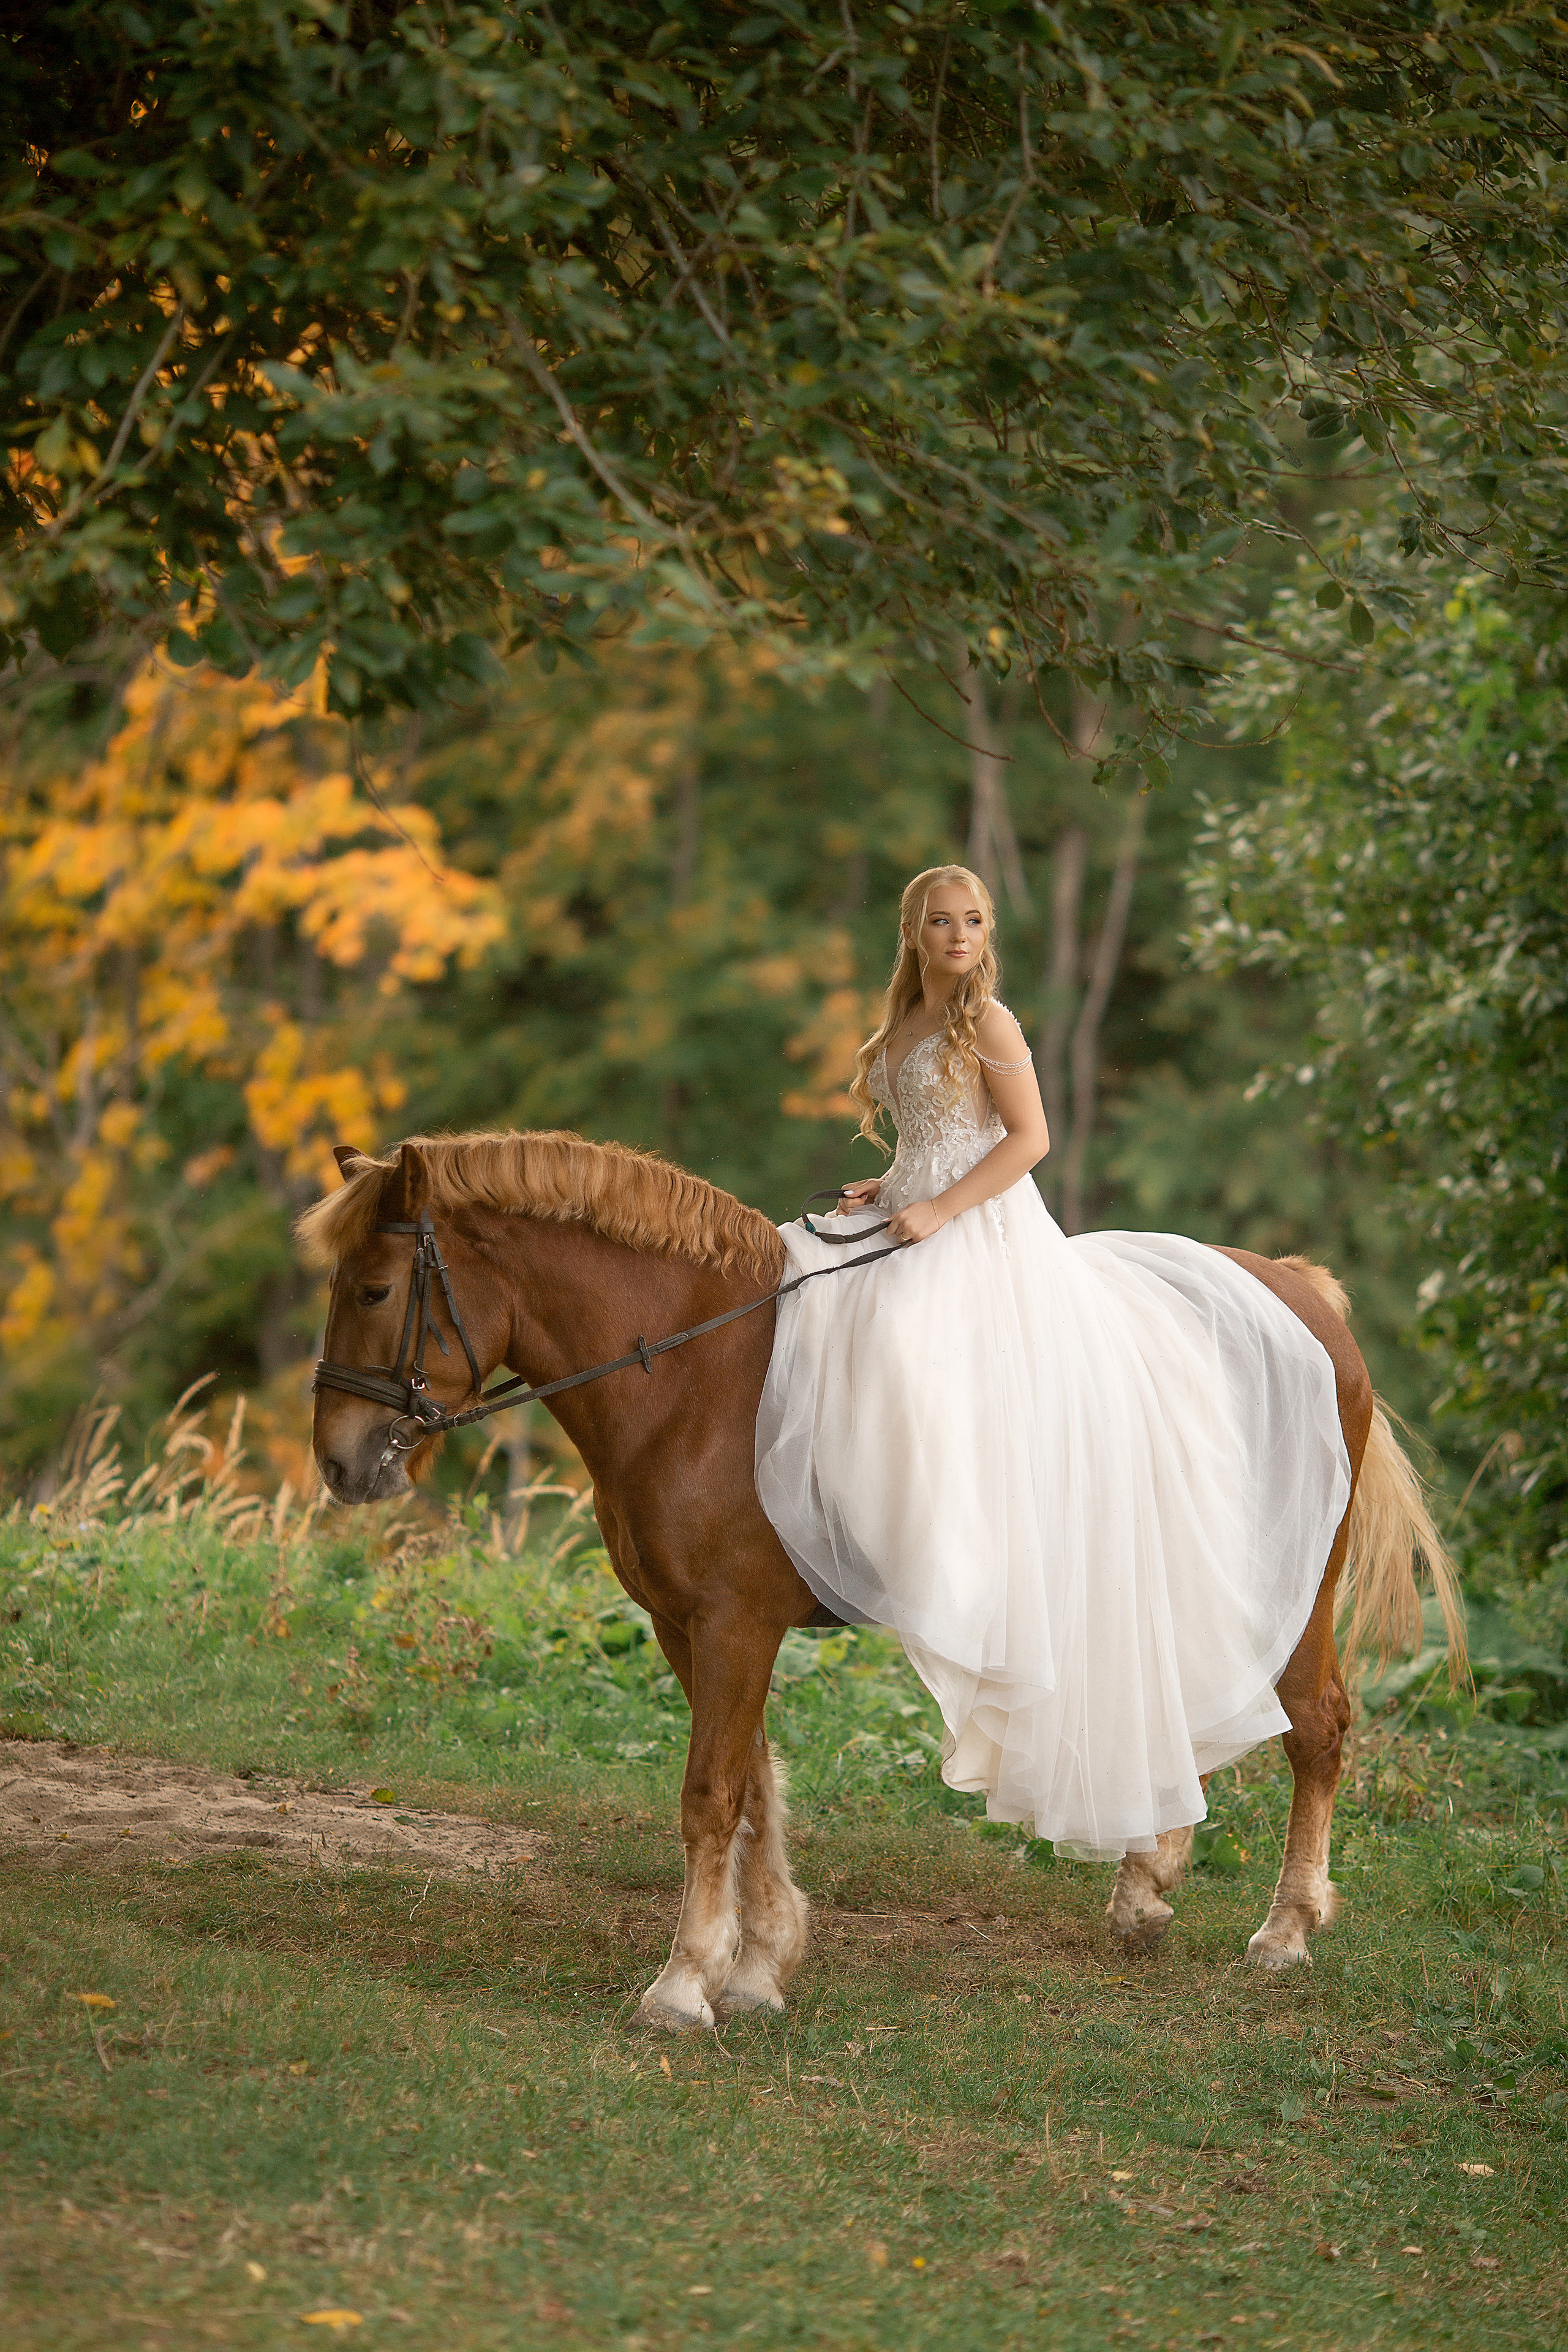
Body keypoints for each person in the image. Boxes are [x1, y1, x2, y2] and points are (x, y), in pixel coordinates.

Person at [753, 864, 1351, 1858]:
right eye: (940, 921)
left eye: (974, 921)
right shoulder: (903, 1027)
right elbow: (931, 1141)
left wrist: (942, 1206)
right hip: (924, 1212)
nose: (958, 935)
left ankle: (959, 1552)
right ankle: (867, 1537)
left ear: (988, 931)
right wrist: (894, 1182)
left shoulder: (989, 1023)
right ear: (913, 930)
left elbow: (1027, 1139)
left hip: (987, 1234)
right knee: (807, 1279)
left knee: (911, 1346)